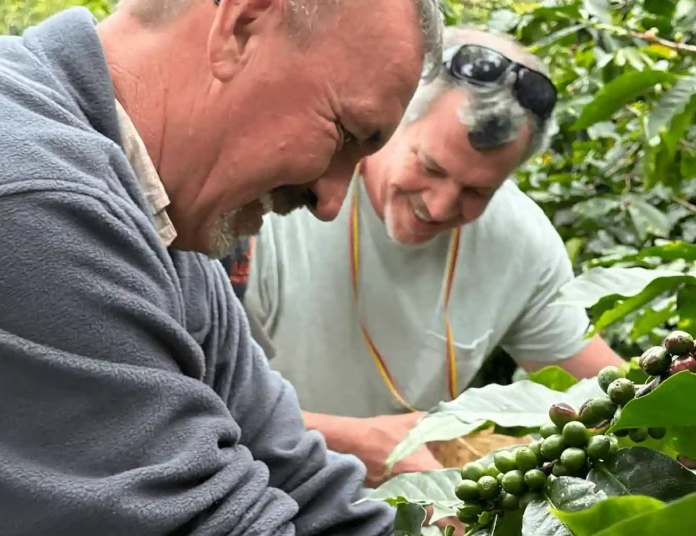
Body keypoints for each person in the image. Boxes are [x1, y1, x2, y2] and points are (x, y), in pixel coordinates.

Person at [0, 1, 443, 536]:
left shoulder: (163, 230)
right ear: (242, 23)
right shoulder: (10, 205)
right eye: (343, 134)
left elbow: (299, 488)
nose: (333, 202)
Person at [233, 26, 625, 486]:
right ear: (394, 116)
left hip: (409, 521)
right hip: (258, 487)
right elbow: (193, 398)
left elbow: (605, 390)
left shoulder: (522, 244)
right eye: (431, 167)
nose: (440, 206)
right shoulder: (287, 196)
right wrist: (355, 441)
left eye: (478, 191)